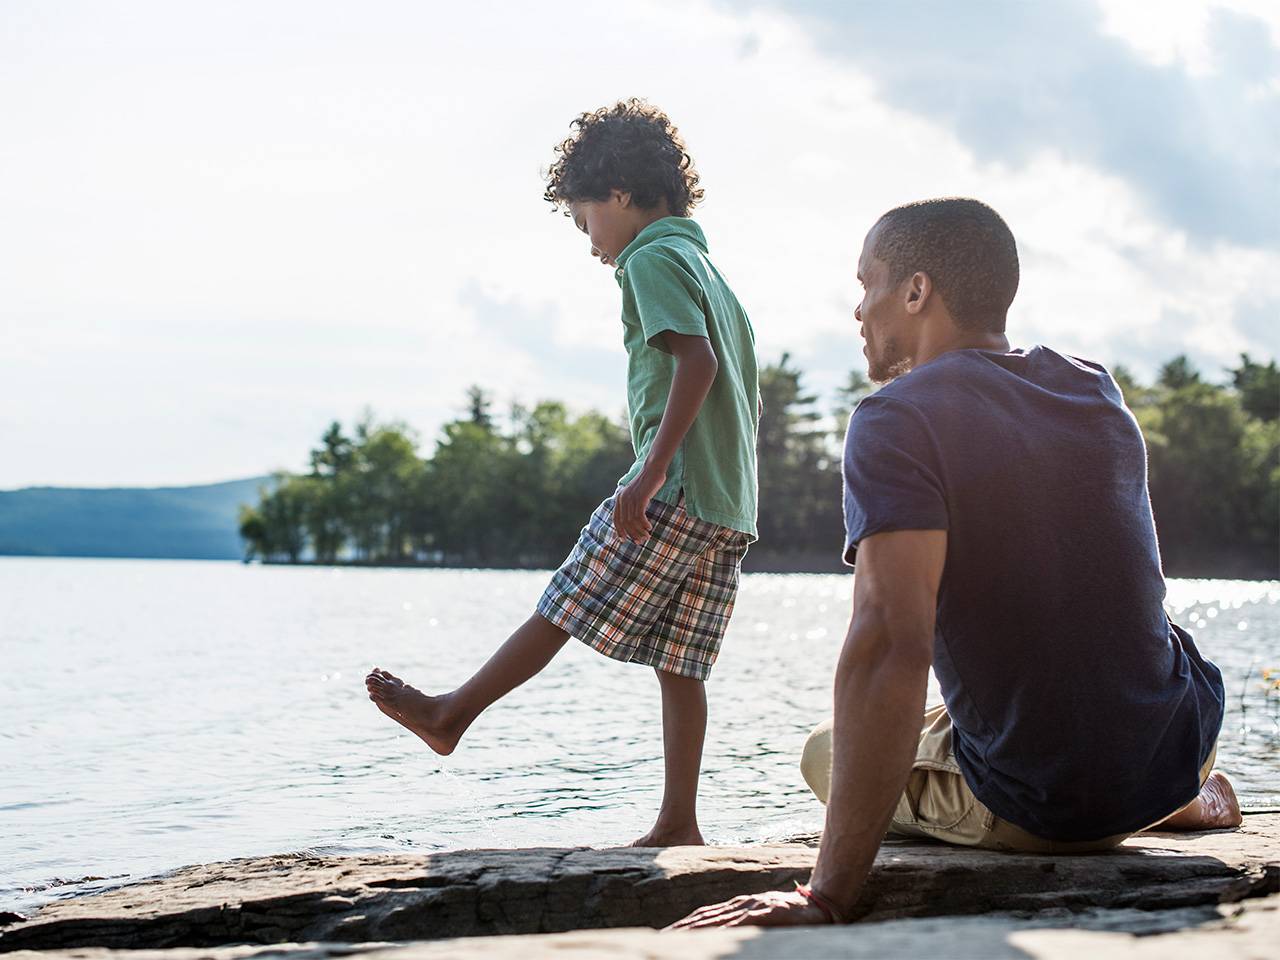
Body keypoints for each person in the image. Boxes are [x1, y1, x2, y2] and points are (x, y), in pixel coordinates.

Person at [673, 197, 1238, 928]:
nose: (858, 310)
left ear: (916, 291)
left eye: (866, 282)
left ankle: (1123, 802)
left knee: (825, 751)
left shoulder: (897, 418)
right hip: (1180, 741)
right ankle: (1181, 794)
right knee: (1008, 703)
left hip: (1049, 811)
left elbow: (886, 646)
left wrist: (825, 897)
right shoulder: (1093, 387)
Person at [366, 99, 759, 848]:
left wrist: (648, 473)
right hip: (728, 505)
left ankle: (451, 716)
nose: (590, 246)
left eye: (584, 223)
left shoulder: (651, 259)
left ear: (616, 192)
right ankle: (680, 823)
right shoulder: (711, 270)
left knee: (563, 602)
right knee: (682, 664)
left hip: (674, 490)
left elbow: (697, 365)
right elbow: (742, 388)